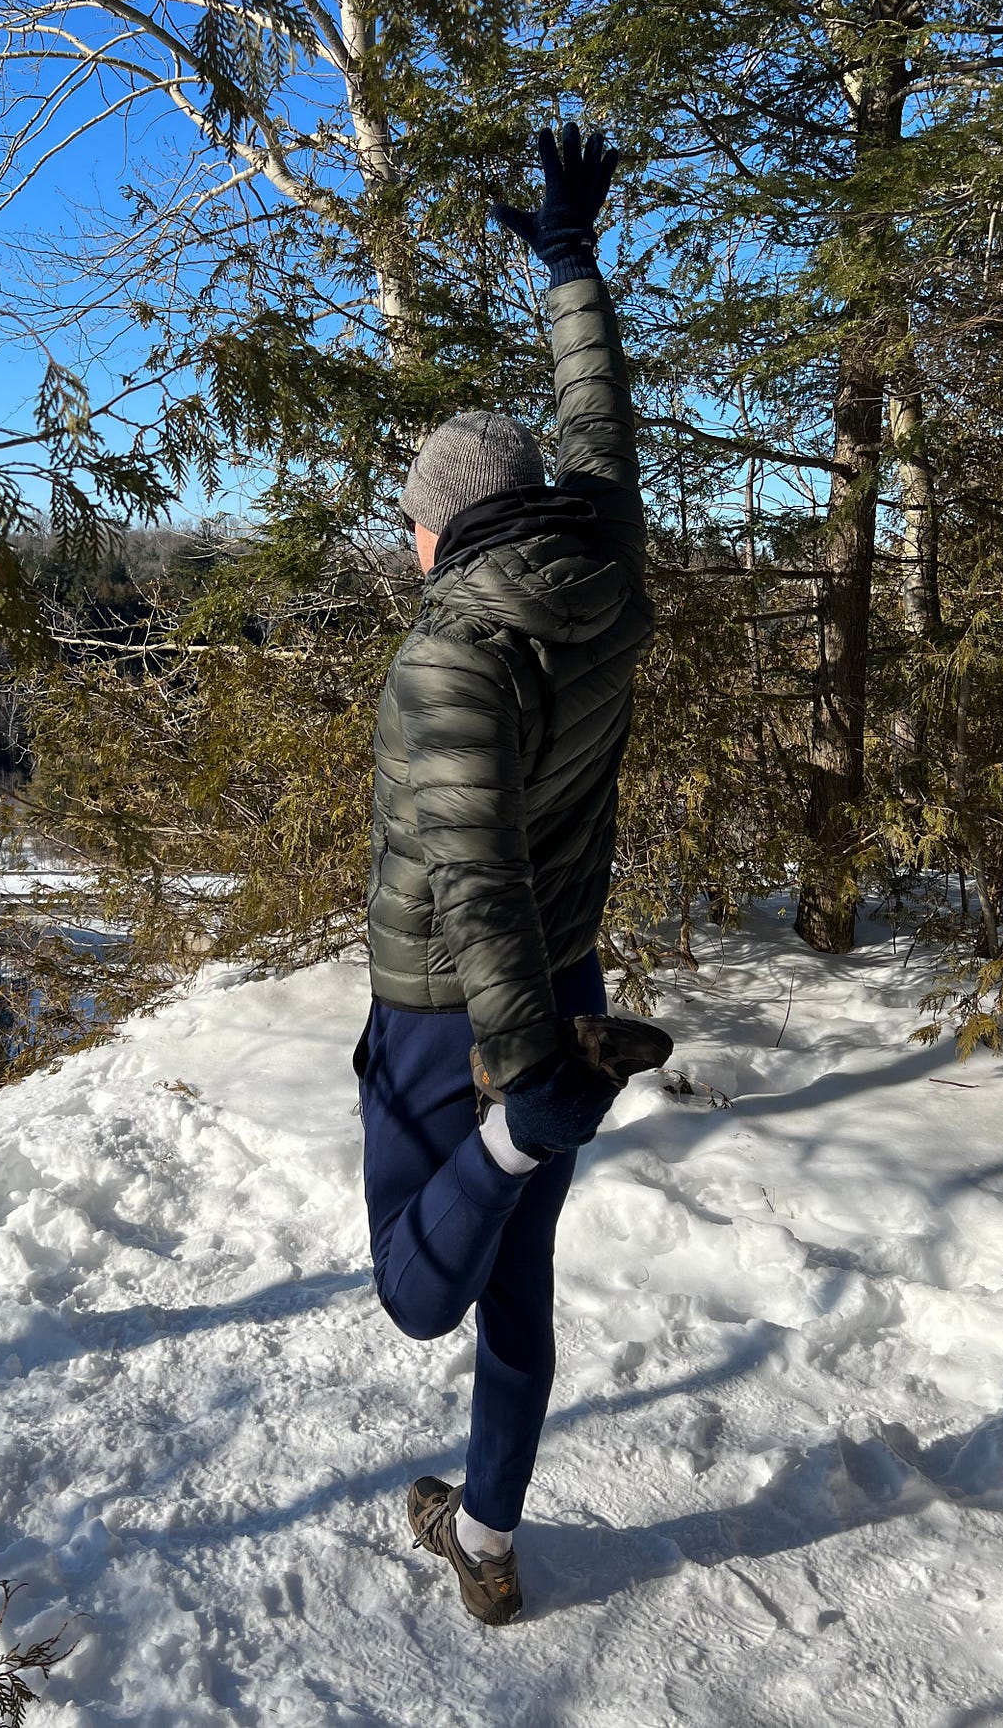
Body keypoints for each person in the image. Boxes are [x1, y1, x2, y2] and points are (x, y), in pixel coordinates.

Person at [353, 122, 654, 1625]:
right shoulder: (603, 557)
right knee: (520, 1288)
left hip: (449, 1003)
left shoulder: (450, 654)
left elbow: (469, 872)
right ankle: (484, 1533)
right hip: (571, 967)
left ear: (442, 532)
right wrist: (574, 264)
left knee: (421, 1287)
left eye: (412, 526)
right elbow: (596, 423)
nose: (407, 548)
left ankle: (526, 1129)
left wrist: (522, 1080)